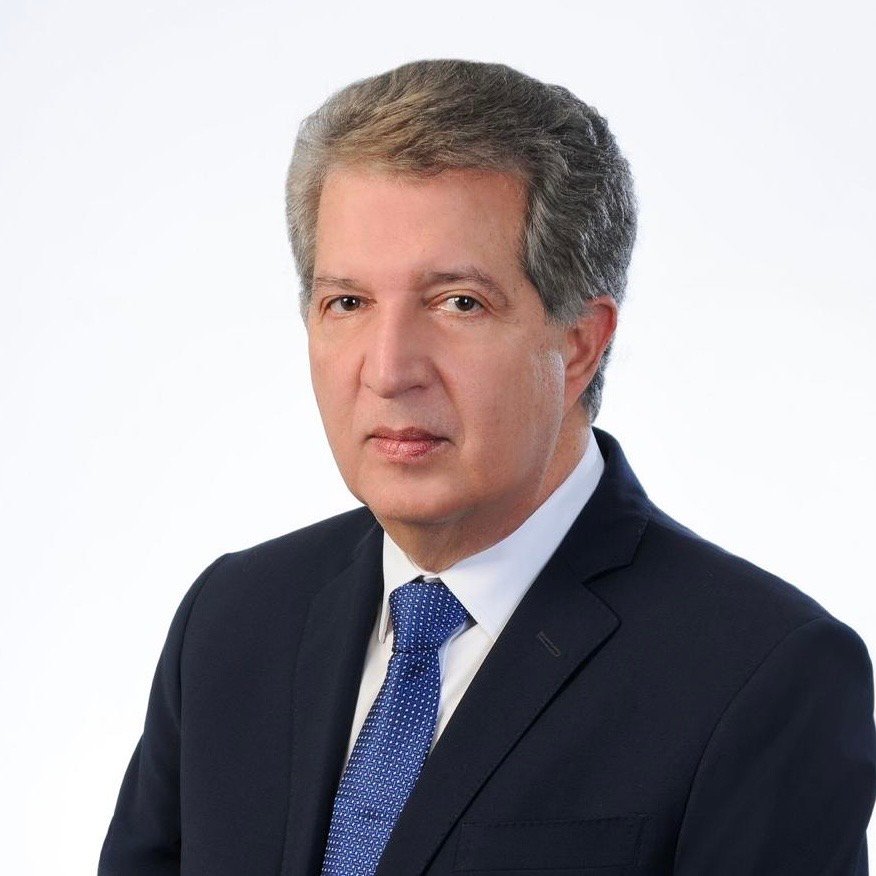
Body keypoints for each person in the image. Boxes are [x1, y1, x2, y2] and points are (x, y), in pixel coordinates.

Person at [99, 59, 876, 875]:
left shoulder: (763, 674)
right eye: (348, 303)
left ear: (580, 343)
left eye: (458, 302)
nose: (389, 370)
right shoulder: (232, 619)